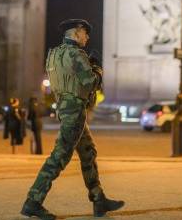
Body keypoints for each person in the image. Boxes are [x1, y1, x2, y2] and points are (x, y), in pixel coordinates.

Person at [21, 19, 124, 219]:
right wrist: (98, 69)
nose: (87, 37)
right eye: (85, 33)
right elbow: (91, 83)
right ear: (76, 34)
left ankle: (98, 199)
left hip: (65, 108)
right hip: (75, 110)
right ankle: (33, 201)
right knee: (59, 157)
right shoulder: (77, 54)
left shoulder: (54, 54)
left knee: (88, 151)